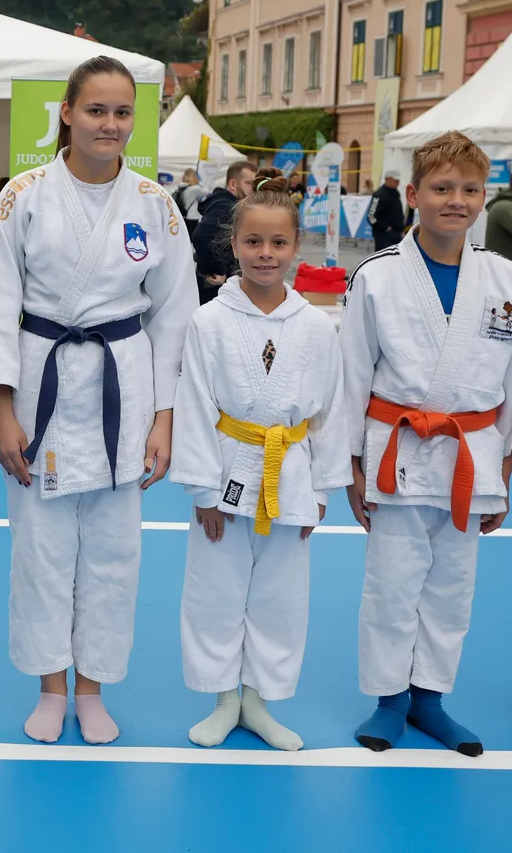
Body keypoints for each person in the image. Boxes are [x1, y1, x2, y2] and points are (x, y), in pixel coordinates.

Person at [0, 56, 198, 745]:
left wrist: (165, 417)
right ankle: (52, 686)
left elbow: (175, 317)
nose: (110, 124)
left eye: (122, 112)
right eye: (97, 110)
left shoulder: (155, 205)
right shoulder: (23, 197)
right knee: (40, 549)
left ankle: (95, 687)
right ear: (67, 114)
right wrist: (2, 409)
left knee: (113, 552)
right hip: (40, 377)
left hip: (122, 384)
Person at [336, 132, 512, 757]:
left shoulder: (506, 278)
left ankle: (431, 698)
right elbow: (351, 377)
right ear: (414, 194)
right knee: (392, 584)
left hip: (473, 453)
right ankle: (390, 699)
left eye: (470, 189)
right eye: (442, 188)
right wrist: (351, 466)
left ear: (484, 197)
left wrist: (505, 465)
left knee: (453, 587)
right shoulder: (377, 276)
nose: (456, 201)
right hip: (397, 450)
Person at [168, 176, 348, 752]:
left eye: (277, 243)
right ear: (234, 244)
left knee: (281, 596)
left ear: (295, 246)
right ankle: (225, 699)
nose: (265, 254)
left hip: (290, 471)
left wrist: (320, 490)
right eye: (253, 242)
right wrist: (204, 491)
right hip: (226, 465)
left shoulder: (317, 326)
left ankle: (259, 701)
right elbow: (194, 404)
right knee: (215, 590)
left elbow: (329, 412)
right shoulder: (209, 321)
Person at [194, 160, 256, 304]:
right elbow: (201, 236)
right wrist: (218, 269)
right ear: (233, 184)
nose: (253, 189)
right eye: (248, 183)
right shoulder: (226, 205)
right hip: (214, 285)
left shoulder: (225, 202)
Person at [370, 172, 406, 251]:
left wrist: (401, 229)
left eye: (398, 181)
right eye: (395, 180)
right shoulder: (379, 195)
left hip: (397, 234)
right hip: (384, 235)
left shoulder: (395, 193)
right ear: (387, 179)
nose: (398, 182)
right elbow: (371, 216)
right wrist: (385, 227)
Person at [175, 168, 206, 237]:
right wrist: (201, 183)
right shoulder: (194, 189)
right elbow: (206, 191)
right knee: (192, 237)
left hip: (183, 215)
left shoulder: (181, 187)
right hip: (193, 216)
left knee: (186, 236)